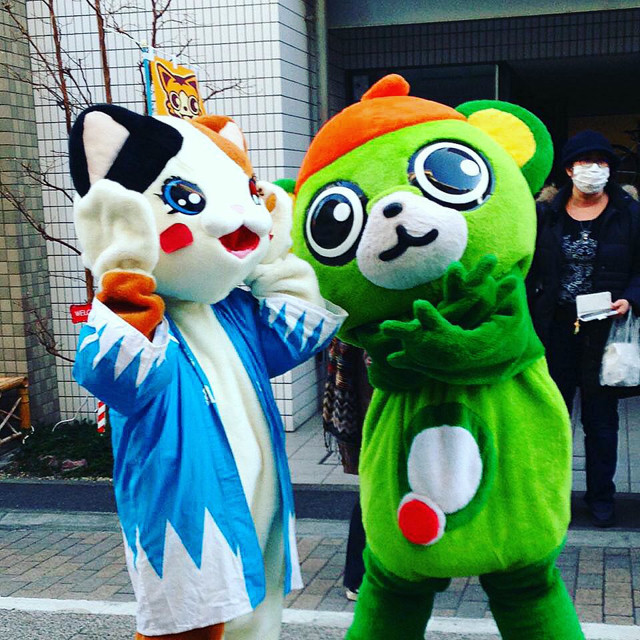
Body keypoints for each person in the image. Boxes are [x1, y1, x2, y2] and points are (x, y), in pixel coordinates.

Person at [527, 130, 640, 527]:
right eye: (584, 161)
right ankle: (551, 498)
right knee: (553, 418)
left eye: (602, 161)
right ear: (569, 168)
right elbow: (528, 268)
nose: (593, 168)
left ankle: (601, 499)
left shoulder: (628, 213)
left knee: (601, 421)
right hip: (555, 329)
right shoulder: (546, 214)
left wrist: (631, 297)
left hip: (603, 332)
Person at [322, 338, 372, 601]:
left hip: (370, 419)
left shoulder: (357, 331)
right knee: (373, 495)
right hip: (377, 421)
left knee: (372, 494)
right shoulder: (371, 331)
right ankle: (358, 577)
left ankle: (358, 576)